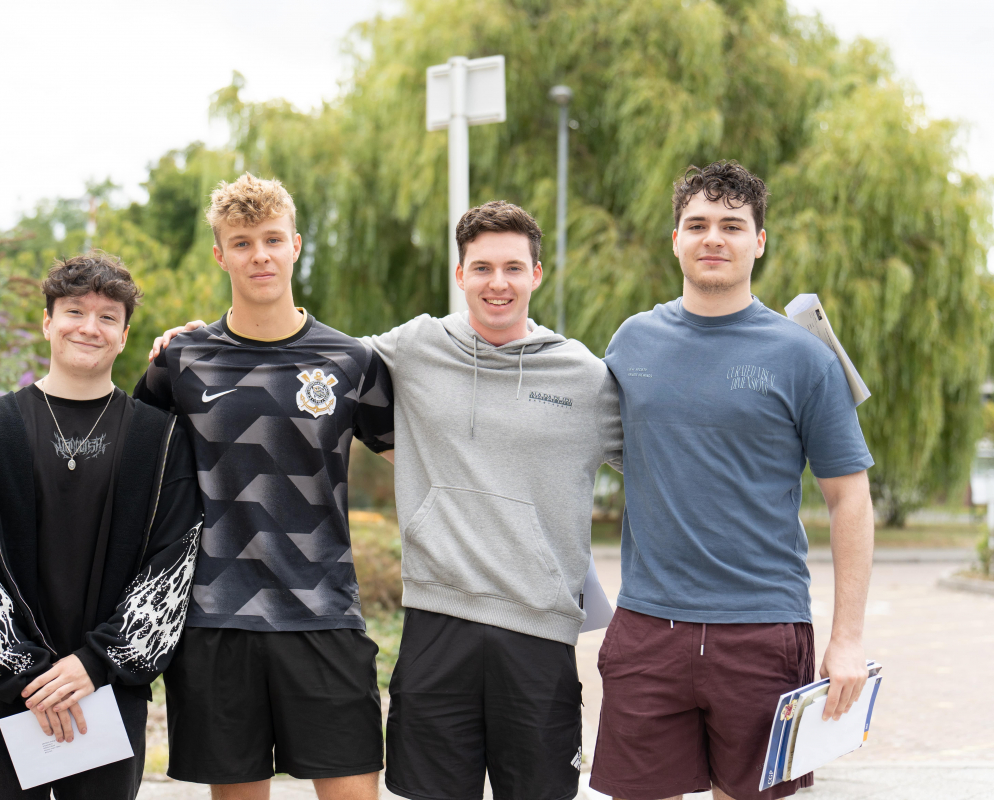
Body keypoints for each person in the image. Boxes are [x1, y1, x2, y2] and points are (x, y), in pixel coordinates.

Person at [153, 200, 623, 800]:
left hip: (526, 626)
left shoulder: (581, 375)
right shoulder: (410, 348)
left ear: (536, 273)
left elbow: (660, 462)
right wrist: (189, 341)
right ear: (460, 276)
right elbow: (285, 363)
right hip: (411, 617)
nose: (497, 283)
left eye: (512, 267)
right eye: (481, 268)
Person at [0, 174, 395, 800]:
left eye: (272, 239)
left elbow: (419, 454)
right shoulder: (180, 361)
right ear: (221, 254)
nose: (260, 256)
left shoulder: (351, 360)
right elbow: (106, 439)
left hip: (325, 617)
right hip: (214, 625)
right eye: (242, 243)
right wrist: (0, 424)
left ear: (297, 244)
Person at [589, 161, 875, 800]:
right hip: (646, 623)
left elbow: (849, 497)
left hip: (763, 630)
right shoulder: (631, 342)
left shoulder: (804, 358)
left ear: (759, 241)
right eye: (697, 224)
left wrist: (847, 640)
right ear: (676, 239)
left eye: (731, 225)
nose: (712, 238)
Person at [0, 252, 203, 800]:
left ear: (126, 335)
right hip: (5, 697)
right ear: (47, 322)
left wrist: (95, 663)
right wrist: (32, 679)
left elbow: (174, 562)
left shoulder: (161, 440)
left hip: (106, 695)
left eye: (108, 316)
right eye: (74, 311)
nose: (89, 326)